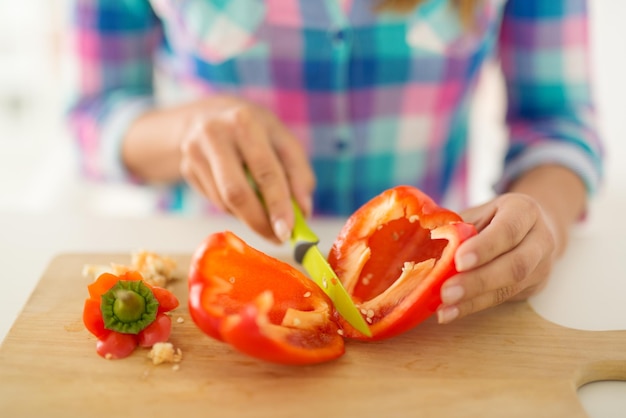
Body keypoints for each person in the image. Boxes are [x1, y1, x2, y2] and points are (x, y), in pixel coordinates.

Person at [68, 0, 604, 324]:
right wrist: (184, 131)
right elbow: (94, 116)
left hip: (426, 297)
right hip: (206, 278)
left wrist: (542, 216)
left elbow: (556, 122)